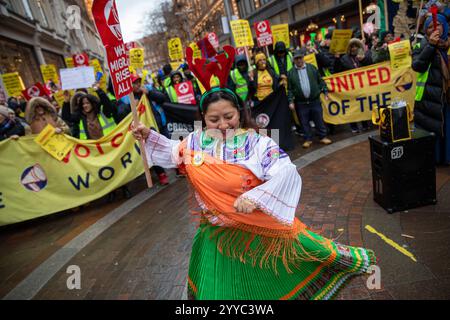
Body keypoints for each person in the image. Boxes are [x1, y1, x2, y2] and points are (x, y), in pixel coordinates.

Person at [131, 45, 377, 299]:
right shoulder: (193, 142)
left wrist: (256, 196)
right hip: (215, 237)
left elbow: (286, 172)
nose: (223, 124)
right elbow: (173, 152)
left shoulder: (258, 143)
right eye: (214, 120)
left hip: (257, 232)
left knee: (263, 289)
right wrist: (149, 135)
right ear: (203, 118)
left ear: (240, 112)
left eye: (229, 116)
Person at [412, 14, 450, 165]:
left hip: (447, 96)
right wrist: (431, 46)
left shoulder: (448, 43)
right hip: (431, 97)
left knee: (447, 128)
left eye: (438, 24)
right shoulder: (420, 45)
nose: (435, 28)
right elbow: (417, 65)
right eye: (430, 26)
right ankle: (436, 159)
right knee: (434, 129)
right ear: (426, 31)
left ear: (445, 26)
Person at [288, 49, 332, 148]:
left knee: (319, 119)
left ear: (303, 58)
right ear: (294, 60)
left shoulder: (312, 68)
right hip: (301, 103)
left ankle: (323, 136)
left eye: (300, 58)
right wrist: (290, 101)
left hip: (314, 100)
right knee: (304, 122)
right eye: (296, 59)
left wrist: (325, 91)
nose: (299, 60)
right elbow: (289, 89)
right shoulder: (291, 73)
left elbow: (320, 81)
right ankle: (308, 139)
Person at [338, 38, 373, 133]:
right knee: (352, 106)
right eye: (352, 46)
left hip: (362, 86)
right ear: (349, 48)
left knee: (363, 105)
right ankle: (354, 126)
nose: (354, 48)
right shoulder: (344, 58)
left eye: (356, 46)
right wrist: (337, 58)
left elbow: (370, 64)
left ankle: (365, 124)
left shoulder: (362, 54)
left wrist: (363, 59)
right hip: (350, 86)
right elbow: (339, 70)